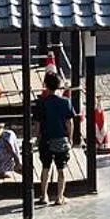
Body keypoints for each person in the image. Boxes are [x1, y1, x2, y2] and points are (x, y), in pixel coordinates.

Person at [32, 71, 76, 206]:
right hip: (61, 138)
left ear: (45, 85)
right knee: (61, 168)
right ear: (59, 85)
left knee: (45, 167)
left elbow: (38, 123)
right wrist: (70, 137)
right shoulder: (66, 102)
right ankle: (59, 196)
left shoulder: (42, 103)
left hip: (46, 138)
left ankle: (44, 195)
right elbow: (70, 123)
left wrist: (38, 137)